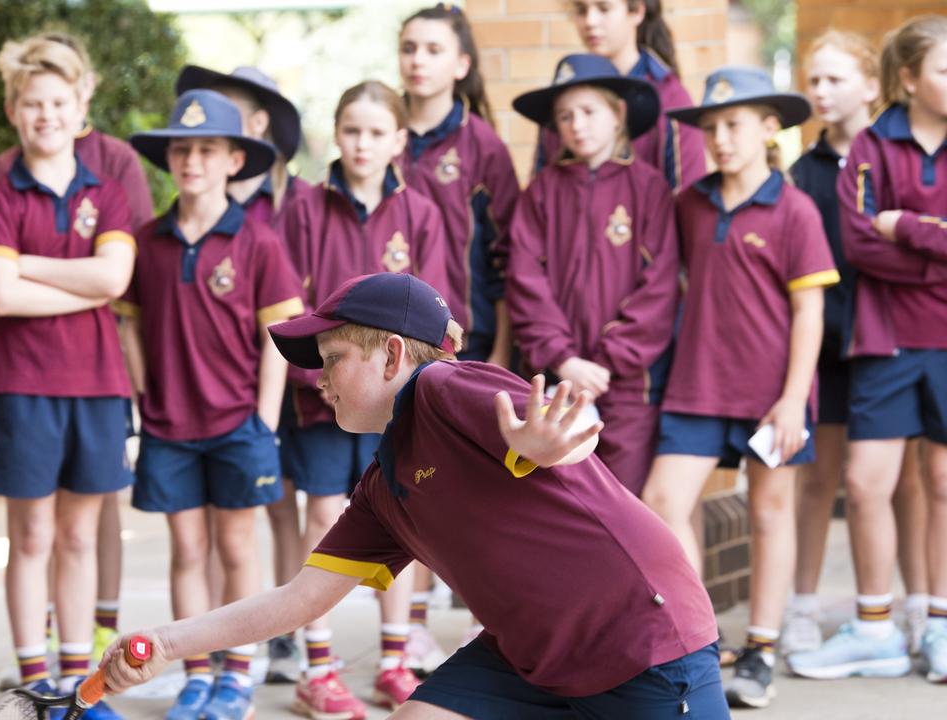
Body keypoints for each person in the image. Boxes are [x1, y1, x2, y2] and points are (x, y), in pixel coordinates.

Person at [101, 272, 728, 719]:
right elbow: (298, 600)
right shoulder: (384, 488)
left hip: (642, 641)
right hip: (531, 656)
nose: (319, 381)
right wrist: (167, 643)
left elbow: (569, 438)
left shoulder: (442, 388)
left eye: (333, 358)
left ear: (393, 354)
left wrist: (546, 445)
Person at [638, 66, 838, 708]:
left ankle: (761, 649)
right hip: (696, 385)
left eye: (734, 125)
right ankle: (700, 639)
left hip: (771, 395)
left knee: (769, 513)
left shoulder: (796, 209)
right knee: (664, 502)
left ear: (769, 128)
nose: (720, 139)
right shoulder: (689, 203)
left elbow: (809, 312)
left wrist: (791, 398)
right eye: (711, 127)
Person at [117, 89, 305, 720]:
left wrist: (264, 420)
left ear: (233, 161)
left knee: (236, 550)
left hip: (238, 425)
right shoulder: (148, 240)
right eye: (181, 149)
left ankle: (238, 677)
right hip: (170, 426)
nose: (192, 160)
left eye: (206, 150)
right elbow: (130, 326)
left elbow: (277, 341)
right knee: (187, 551)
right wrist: (147, 399)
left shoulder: (257, 242)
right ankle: (196, 673)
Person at [0, 34, 138, 720]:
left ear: (79, 108)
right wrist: (82, 284)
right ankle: (34, 684)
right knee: (31, 535)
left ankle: (78, 687)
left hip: (96, 382)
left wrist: (24, 261)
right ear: (13, 109)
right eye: (33, 104)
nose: (46, 115)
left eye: (58, 103)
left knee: (76, 536)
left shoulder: (107, 185)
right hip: (22, 381)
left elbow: (116, 278)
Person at [275, 80, 451, 717]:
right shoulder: (299, 210)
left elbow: (439, 313)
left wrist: (412, 387)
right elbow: (285, 304)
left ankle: (394, 661)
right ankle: (317, 669)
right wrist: (324, 380)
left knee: (405, 522)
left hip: (397, 403)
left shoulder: (422, 215)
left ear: (400, 140)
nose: (363, 143)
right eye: (352, 129)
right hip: (319, 400)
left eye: (378, 132)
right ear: (336, 131)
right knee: (324, 521)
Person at [787, 15, 947, 685]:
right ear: (907, 78)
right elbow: (859, 246)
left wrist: (905, 226)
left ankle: (937, 623)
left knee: (940, 482)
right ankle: (874, 628)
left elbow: (887, 238)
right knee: (863, 482)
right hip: (879, 340)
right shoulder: (869, 150)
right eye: (943, 69)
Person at [395, 3, 524, 664]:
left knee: (476, 488)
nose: (418, 59)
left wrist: (497, 354)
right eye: (409, 47)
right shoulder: (382, 133)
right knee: (412, 482)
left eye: (433, 49)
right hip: (394, 346)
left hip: (466, 343)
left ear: (461, 64)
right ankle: (411, 621)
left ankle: (486, 618)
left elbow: (506, 260)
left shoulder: (484, 149)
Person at [509, 53, 679, 496]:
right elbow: (526, 283)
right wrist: (563, 358)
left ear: (618, 114)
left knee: (621, 510)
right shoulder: (540, 194)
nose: (576, 125)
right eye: (565, 116)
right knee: (553, 509)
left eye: (588, 112)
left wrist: (605, 363)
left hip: (625, 390)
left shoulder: (650, 190)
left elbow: (659, 289)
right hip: (553, 384)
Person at [534, 0, 705, 190]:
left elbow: (688, 195)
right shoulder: (563, 95)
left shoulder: (670, 96)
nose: (590, 21)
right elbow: (539, 188)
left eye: (603, 8)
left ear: (637, 12)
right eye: (582, 10)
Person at [175, 64, 306, 233]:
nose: (212, 122)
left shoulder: (302, 205)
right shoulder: (198, 194)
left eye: (225, 112)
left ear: (259, 122)